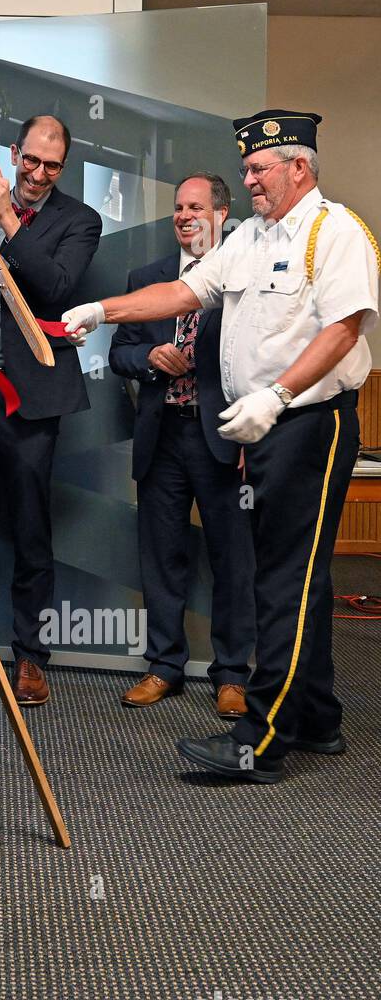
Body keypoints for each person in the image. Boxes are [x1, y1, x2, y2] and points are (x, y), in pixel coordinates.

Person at [65, 111, 379, 783]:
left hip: (306, 426)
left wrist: (274, 395)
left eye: (259, 169)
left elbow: (344, 329)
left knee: (284, 581)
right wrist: (101, 312)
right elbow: (184, 290)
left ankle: (261, 739)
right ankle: (316, 718)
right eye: (244, 169)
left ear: (300, 168)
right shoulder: (252, 237)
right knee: (296, 579)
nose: (249, 179)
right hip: (263, 429)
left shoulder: (335, 231)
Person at [0, 114, 101, 705]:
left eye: (50, 165)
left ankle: (31, 658)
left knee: (31, 530)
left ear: (63, 168)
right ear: (15, 151)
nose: (35, 174)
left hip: (30, 397)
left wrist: (9, 221)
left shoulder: (79, 220)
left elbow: (56, 288)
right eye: (29, 160)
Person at [109, 174, 255, 715]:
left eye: (196, 206)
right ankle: (164, 666)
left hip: (221, 437)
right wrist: (147, 359)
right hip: (162, 434)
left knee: (231, 558)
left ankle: (233, 675)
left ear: (221, 213)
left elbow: (259, 358)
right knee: (161, 556)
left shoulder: (244, 278)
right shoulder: (146, 279)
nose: (184, 215)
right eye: (178, 206)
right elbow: (120, 350)